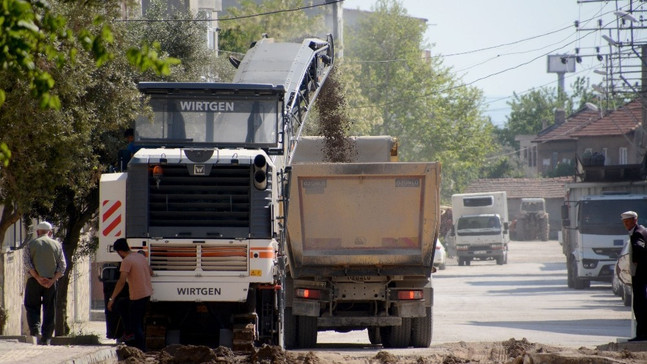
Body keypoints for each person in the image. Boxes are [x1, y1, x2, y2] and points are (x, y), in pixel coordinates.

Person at [23, 221, 66, 345]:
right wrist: (52, 280)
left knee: (31, 306)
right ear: (50, 232)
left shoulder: (31, 244)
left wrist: (37, 277)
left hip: (34, 281)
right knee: (50, 308)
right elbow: (62, 266)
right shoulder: (57, 245)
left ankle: (35, 329)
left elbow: (27, 263)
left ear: (37, 232)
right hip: (51, 282)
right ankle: (46, 337)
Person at [107, 238, 153, 351]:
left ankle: (141, 349)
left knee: (136, 324)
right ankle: (129, 333)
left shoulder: (127, 261)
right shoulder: (140, 257)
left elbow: (121, 281)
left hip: (137, 296)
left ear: (120, 251)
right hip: (146, 294)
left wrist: (112, 298)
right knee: (122, 304)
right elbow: (151, 272)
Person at [621, 210, 647, 341]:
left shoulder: (637, 233)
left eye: (628, 221)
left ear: (635, 220)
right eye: (624, 222)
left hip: (640, 274)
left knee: (639, 304)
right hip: (641, 274)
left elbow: (640, 248)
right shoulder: (643, 230)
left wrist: (636, 259)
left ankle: (642, 334)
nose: (626, 224)